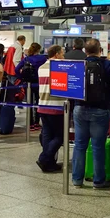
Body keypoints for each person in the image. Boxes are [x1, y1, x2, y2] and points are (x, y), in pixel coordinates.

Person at [72, 39, 110, 189]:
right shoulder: (108, 64)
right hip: (100, 110)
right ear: (100, 50)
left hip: (80, 108)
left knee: (79, 145)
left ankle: (77, 180)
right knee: (98, 146)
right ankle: (98, 181)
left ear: (85, 51)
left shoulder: (79, 64)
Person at [36, 45, 65, 173]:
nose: (63, 56)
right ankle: (44, 158)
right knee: (60, 136)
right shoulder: (61, 67)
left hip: (42, 105)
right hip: (56, 106)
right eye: (62, 54)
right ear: (57, 54)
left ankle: (49, 164)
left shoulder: (41, 68)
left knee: (47, 135)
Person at [15, 42, 47, 131]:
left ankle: (30, 124)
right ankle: (37, 122)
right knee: (38, 102)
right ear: (38, 50)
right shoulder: (43, 59)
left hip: (27, 84)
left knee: (29, 103)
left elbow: (17, 69)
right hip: (39, 83)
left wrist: (21, 78)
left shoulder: (26, 59)